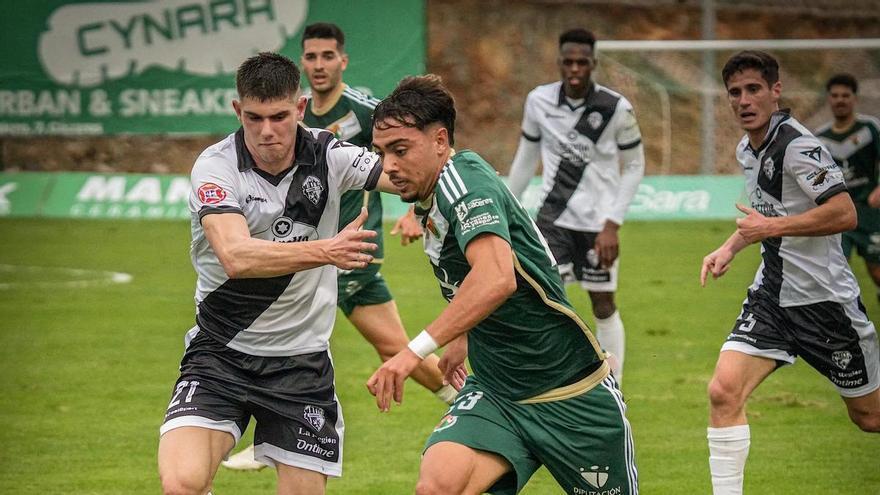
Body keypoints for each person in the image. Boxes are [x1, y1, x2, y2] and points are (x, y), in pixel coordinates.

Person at [367, 74, 638, 495]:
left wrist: (411, 354)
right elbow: (475, 277)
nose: (389, 166)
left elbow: (497, 278)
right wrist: (463, 337)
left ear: (440, 141)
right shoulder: (434, 194)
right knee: (438, 486)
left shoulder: (463, 180)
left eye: (400, 150)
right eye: (381, 153)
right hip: (497, 392)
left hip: (570, 393)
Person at [220, 22, 457, 472]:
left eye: (328, 56)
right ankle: (466, 397)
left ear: (342, 61)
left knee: (365, 339)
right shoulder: (292, 116)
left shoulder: (364, 110)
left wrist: (412, 208)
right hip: (315, 244)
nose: (319, 65)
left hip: (349, 246)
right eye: (311, 57)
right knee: (391, 345)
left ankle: (274, 429)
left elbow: (412, 150)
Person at [157, 52, 388, 495]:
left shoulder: (330, 154)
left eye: (280, 116)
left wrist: (457, 175)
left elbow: (405, 174)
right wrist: (327, 250)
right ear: (237, 111)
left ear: (300, 108)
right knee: (181, 484)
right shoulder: (216, 166)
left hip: (300, 363)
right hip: (221, 353)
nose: (267, 131)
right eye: (254, 117)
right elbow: (237, 257)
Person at [701, 51, 880, 495]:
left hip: (825, 303)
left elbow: (844, 211)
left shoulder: (800, 146)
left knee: (869, 418)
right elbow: (766, 214)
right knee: (723, 391)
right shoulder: (748, 148)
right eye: (735, 93)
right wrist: (730, 246)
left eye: (753, 90)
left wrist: (770, 228)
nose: (744, 100)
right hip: (773, 298)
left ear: (775, 91)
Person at [506, 28, 645, 384]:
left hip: (599, 226)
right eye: (568, 62)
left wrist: (613, 223)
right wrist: (506, 207)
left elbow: (634, 165)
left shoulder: (616, 108)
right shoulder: (538, 101)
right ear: (559, 63)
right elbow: (525, 160)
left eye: (582, 62)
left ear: (593, 64)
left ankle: (615, 385)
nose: (574, 69)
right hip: (552, 220)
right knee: (547, 301)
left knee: (603, 304)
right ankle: (559, 381)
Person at [815, 73, 880, 302]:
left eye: (845, 95)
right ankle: (840, 321)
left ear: (854, 98)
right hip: (838, 214)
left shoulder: (870, 128)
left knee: (876, 270)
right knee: (835, 270)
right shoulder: (819, 138)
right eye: (835, 95)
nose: (840, 100)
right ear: (828, 99)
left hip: (870, 212)